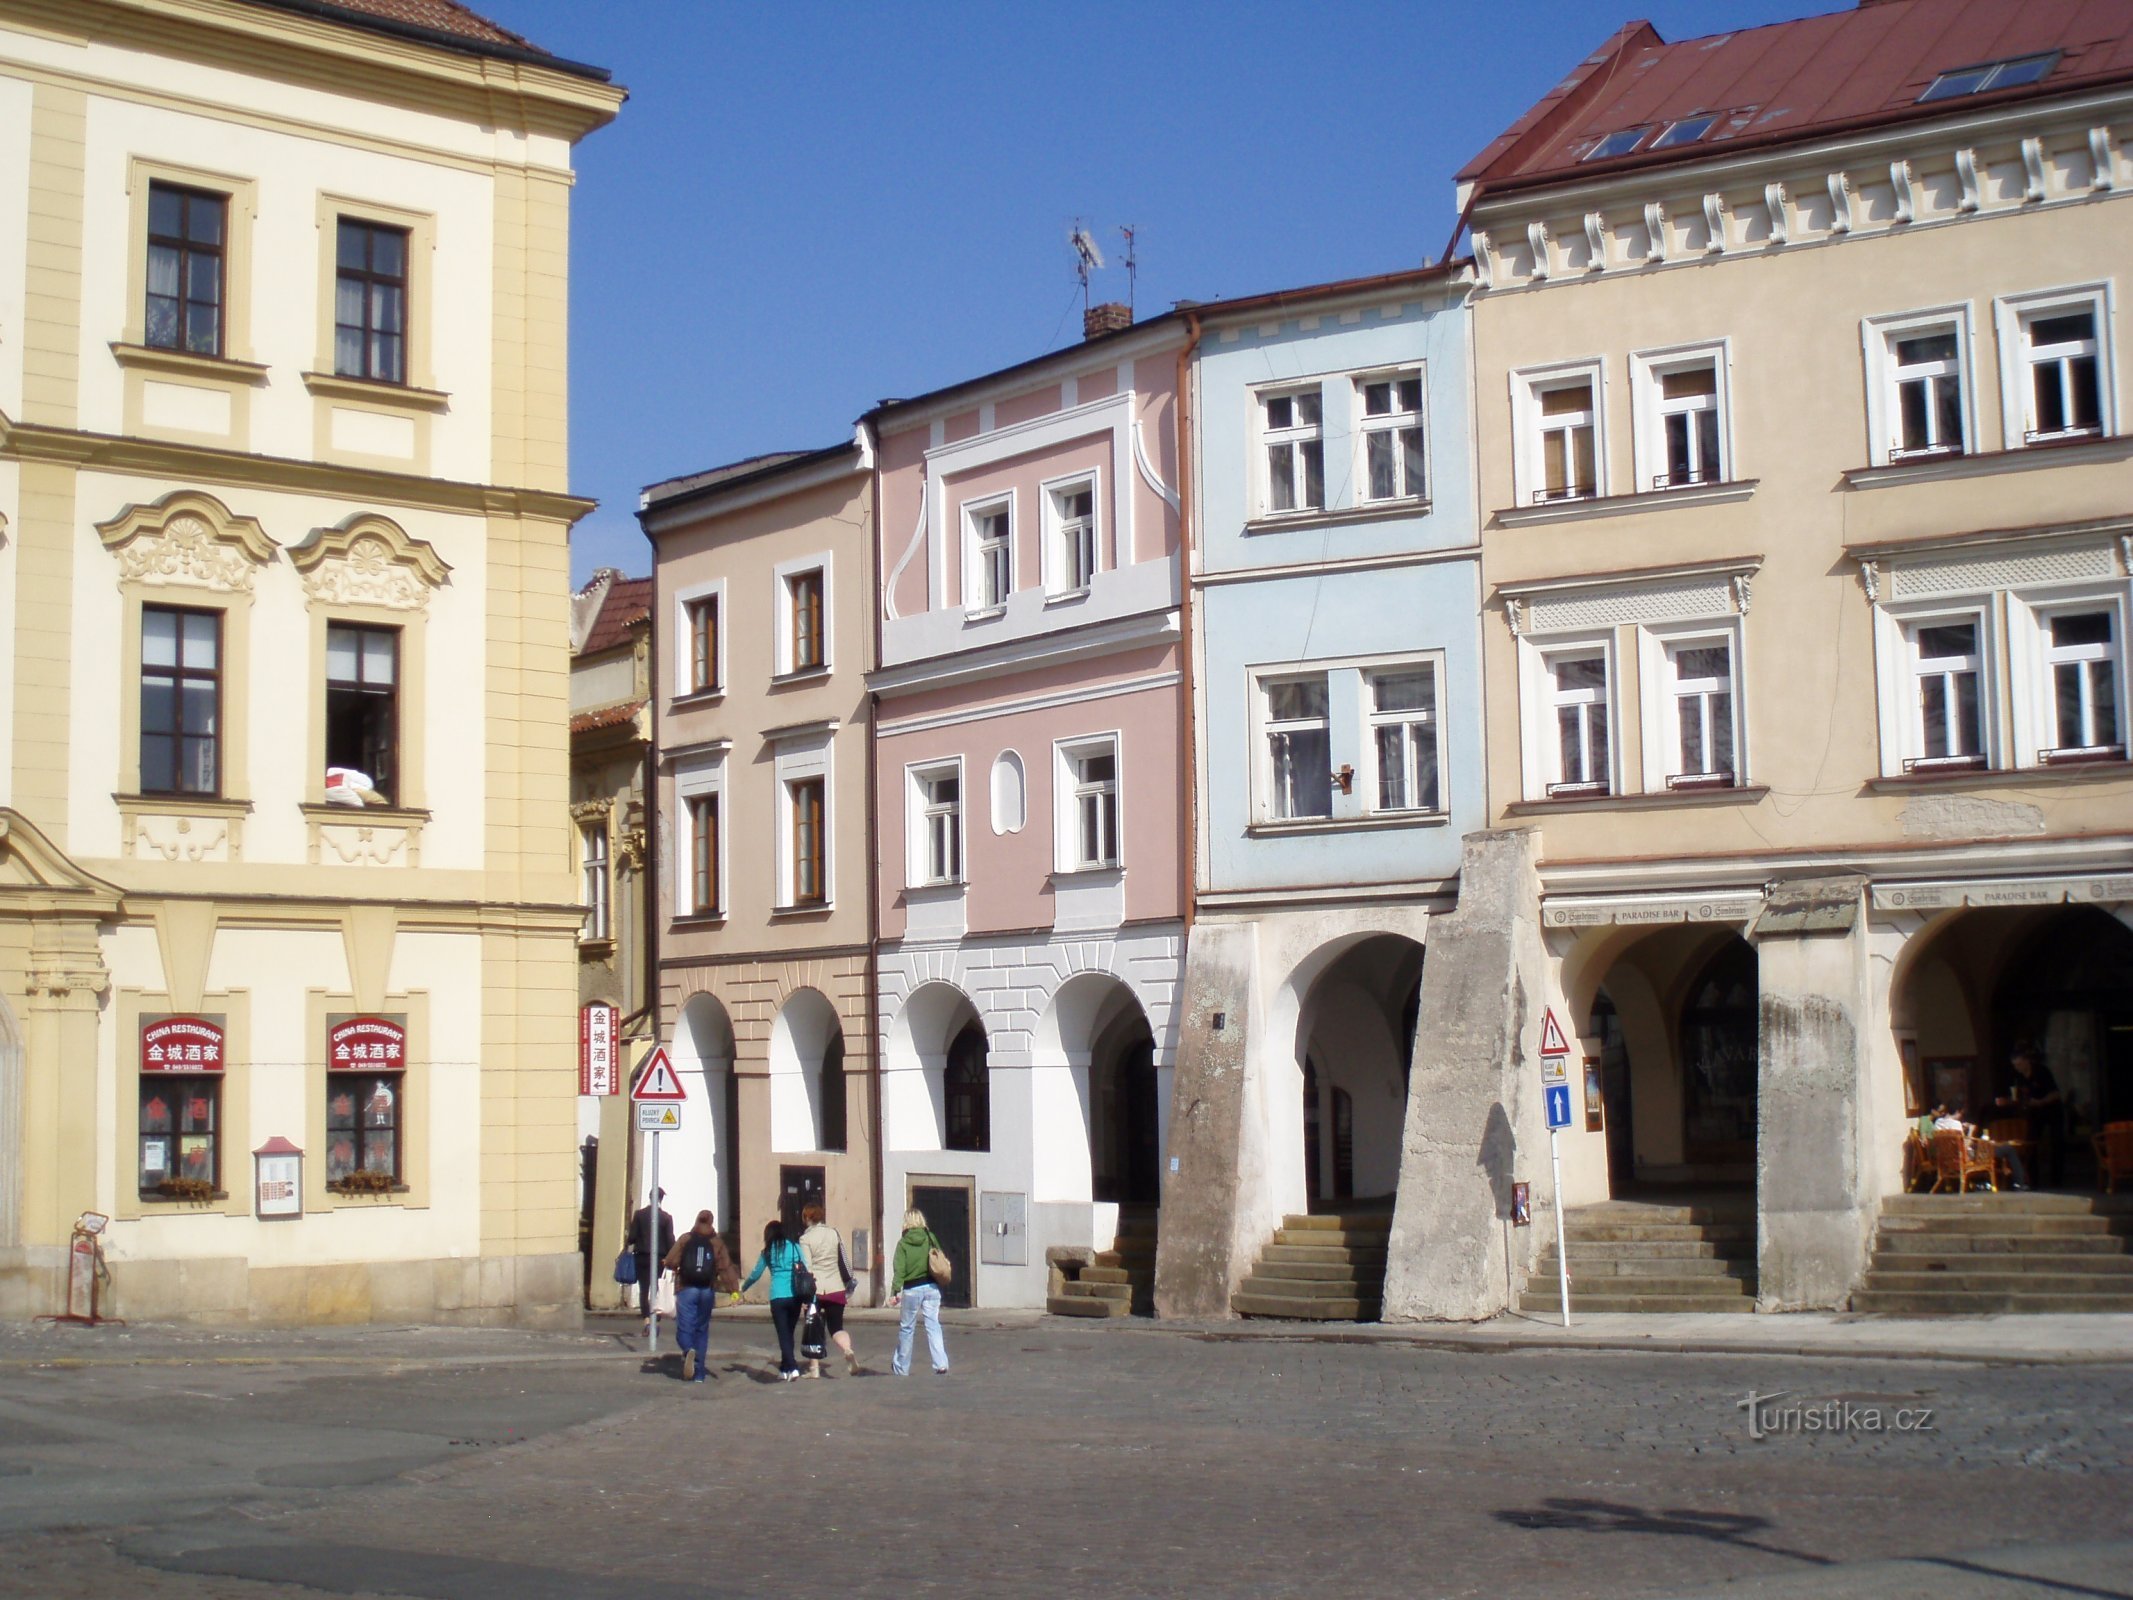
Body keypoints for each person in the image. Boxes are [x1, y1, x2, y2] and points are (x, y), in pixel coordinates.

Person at [660, 1209, 736, 1384]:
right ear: (711, 1223)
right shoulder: (717, 1243)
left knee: (684, 1329)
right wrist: (734, 1291)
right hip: (707, 1290)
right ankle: (699, 1374)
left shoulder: (685, 1239)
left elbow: (670, 1260)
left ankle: (688, 1350)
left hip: (686, 1288)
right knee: (702, 1330)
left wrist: (672, 1265)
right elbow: (726, 1268)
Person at [738, 1219, 808, 1382]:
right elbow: (805, 1268)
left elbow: (756, 1274)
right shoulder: (794, 1247)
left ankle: (792, 1366)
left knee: (783, 1334)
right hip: (795, 1295)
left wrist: (744, 1287)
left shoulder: (768, 1251)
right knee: (789, 1332)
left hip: (777, 1296)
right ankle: (785, 1368)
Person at [797, 1203, 860, 1378]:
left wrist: (804, 1295)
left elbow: (807, 1268)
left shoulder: (805, 1239)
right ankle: (847, 1350)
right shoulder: (834, 1233)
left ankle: (814, 1369)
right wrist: (848, 1282)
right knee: (836, 1327)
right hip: (836, 1287)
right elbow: (843, 1260)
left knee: (813, 1328)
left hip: (816, 1290)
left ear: (807, 1218)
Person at [888, 1207, 950, 1378]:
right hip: (931, 1287)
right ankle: (941, 1363)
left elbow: (899, 1269)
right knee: (933, 1325)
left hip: (911, 1289)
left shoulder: (903, 1243)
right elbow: (939, 1257)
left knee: (907, 1328)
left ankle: (902, 1367)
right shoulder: (930, 1237)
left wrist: (894, 1290)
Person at [1997, 1047, 2066, 1187]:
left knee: (2056, 1144)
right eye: (2015, 1065)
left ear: (2027, 1061)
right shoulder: (2018, 1077)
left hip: (2052, 1110)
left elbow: (2056, 1094)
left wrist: (2042, 1101)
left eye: (2020, 1064)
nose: (2017, 1068)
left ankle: (2057, 1181)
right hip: (2035, 1112)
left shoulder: (2042, 1072)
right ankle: (2034, 1180)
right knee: (2031, 1144)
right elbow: (2019, 1097)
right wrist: (2007, 1101)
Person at [625, 1190, 675, 1323]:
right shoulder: (666, 1218)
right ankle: (655, 1317)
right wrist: (672, 1259)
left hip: (642, 1256)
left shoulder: (640, 1215)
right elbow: (670, 1241)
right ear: (661, 1199)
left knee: (644, 1288)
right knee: (657, 1287)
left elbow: (632, 1238)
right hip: (659, 1258)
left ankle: (646, 1318)